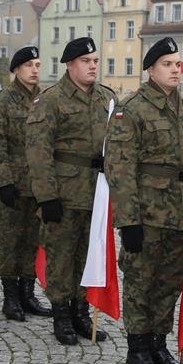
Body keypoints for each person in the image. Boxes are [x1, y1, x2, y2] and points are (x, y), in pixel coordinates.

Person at [104, 37, 183, 364]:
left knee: (168, 282)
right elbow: (119, 167)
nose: (175, 70)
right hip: (146, 215)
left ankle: (159, 343)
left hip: (178, 214)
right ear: (150, 69)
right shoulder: (131, 109)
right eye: (167, 64)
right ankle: (138, 347)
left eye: (177, 64)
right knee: (140, 281)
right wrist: (128, 220)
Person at [25, 38, 117, 343]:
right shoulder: (51, 100)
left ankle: (80, 312)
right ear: (69, 64)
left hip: (96, 193)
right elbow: (38, 151)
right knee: (61, 257)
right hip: (63, 193)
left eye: (95, 61)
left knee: (86, 255)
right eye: (85, 61)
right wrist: (47, 196)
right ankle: (61, 315)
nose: (92, 66)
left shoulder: (107, 98)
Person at [0, 47, 53, 322]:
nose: (34, 69)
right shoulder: (2, 101)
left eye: (37, 64)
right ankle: (11, 297)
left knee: (33, 240)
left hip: (38, 185)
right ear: (16, 70)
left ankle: (28, 292)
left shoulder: (46, 100)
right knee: (11, 240)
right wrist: (4, 182)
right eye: (28, 65)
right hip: (13, 184)